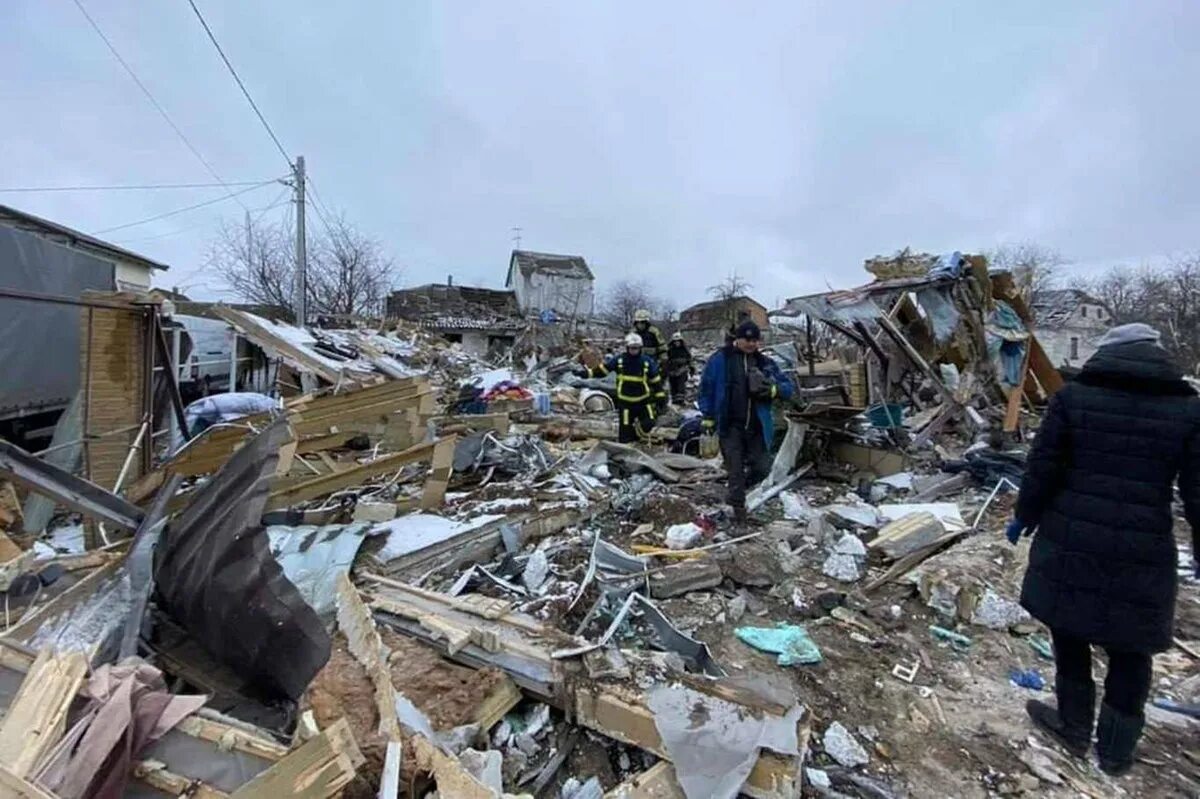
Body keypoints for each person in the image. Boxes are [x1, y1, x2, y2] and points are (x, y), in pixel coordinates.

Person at [1008, 322, 1200, 776]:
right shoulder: (1189, 411)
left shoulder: (1073, 399)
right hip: (1143, 544)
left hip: (1071, 534)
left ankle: (1073, 725)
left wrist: (1025, 514)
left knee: (1069, 629)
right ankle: (1116, 751)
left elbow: (1043, 467)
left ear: (1105, 355)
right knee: (1131, 646)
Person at [698, 320, 794, 523]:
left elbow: (788, 387)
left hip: (756, 426)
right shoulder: (720, 360)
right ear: (737, 339)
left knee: (761, 467)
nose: (751, 343)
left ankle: (739, 492)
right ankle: (739, 514)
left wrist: (773, 389)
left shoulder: (764, 363)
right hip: (730, 424)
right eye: (747, 339)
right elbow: (706, 388)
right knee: (735, 468)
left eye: (755, 340)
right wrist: (708, 416)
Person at [579, 332, 667, 444]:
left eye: (636, 348)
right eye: (631, 348)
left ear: (640, 348)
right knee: (625, 433)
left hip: (643, 402)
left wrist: (660, 398)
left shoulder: (646, 362)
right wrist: (586, 374)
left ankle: (638, 436)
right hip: (625, 403)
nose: (634, 351)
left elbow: (656, 382)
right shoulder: (619, 360)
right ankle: (627, 451)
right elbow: (603, 371)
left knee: (649, 423)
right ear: (627, 348)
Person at [665, 332, 693, 404]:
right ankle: (674, 400)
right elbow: (666, 360)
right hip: (672, 371)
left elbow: (689, 359)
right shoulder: (669, 350)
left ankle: (681, 400)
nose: (677, 343)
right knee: (673, 385)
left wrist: (691, 368)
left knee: (681, 385)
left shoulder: (685, 350)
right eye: (675, 341)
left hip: (682, 370)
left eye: (678, 341)